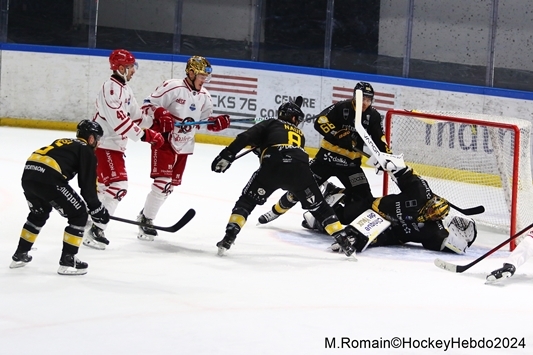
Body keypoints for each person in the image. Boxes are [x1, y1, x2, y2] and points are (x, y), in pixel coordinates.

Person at [211, 99, 363, 257]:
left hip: (274, 164)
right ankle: (344, 241)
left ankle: (229, 236)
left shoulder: (271, 123)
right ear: (293, 118)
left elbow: (245, 137)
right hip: (301, 168)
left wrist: (227, 155)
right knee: (320, 208)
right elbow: (283, 145)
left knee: (247, 202)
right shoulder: (300, 135)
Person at [257, 81, 390, 225]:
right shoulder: (342, 107)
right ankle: (275, 211)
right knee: (299, 188)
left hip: (350, 165)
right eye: (362, 98)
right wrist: (336, 134)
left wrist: (385, 157)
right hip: (326, 160)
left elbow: (379, 139)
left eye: (368, 100)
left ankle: (333, 199)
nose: (365, 103)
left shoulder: (374, 116)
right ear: (355, 97)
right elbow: (320, 121)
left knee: (364, 197)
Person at [135, 55, 230, 241]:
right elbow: (147, 106)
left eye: (206, 76)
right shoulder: (173, 86)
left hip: (185, 144)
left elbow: (204, 122)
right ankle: (147, 219)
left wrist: (216, 124)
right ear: (191, 72)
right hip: (164, 139)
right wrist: (160, 112)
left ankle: (145, 213)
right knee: (162, 182)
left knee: (168, 187)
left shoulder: (205, 96)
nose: (205, 80)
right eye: (202, 75)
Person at [83, 49, 165, 250]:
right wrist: (146, 135)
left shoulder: (124, 88)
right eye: (130, 67)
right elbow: (119, 122)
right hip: (105, 145)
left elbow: (137, 117)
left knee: (105, 188)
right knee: (119, 186)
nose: (133, 71)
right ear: (120, 68)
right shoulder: (111, 88)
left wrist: (158, 122)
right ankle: (96, 228)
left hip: (115, 146)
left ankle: (85, 220)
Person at [303, 166, 478, 255]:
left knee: (362, 235)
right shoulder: (420, 191)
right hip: (375, 206)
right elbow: (403, 172)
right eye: (430, 210)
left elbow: (454, 246)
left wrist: (465, 237)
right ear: (430, 202)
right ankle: (333, 193)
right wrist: (388, 163)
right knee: (351, 209)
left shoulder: (435, 231)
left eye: (433, 216)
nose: (429, 215)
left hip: (392, 233)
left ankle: (319, 222)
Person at [10, 120, 110, 275]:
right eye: (97, 139)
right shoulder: (86, 150)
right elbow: (87, 187)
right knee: (79, 214)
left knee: (39, 212)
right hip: (49, 177)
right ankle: (68, 261)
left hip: (29, 175)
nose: (97, 143)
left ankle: (20, 254)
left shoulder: (64, 142)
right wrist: (97, 209)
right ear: (91, 138)